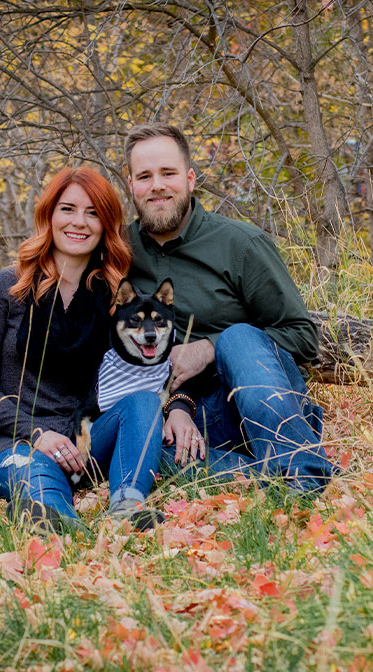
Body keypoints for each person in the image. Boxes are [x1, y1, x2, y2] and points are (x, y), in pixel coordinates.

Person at [123, 123, 334, 494]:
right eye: (145, 176)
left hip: (263, 399)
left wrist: (208, 348)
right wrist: (176, 407)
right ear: (131, 186)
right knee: (144, 449)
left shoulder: (240, 243)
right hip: (197, 419)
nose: (157, 185)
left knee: (237, 338)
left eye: (168, 173)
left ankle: (303, 475)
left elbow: (302, 336)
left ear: (189, 179)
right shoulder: (119, 252)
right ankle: (273, 479)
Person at [0, 166, 164, 531]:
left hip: (84, 444)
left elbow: (149, 368)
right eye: (68, 209)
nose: (80, 222)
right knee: (38, 475)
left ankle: (126, 508)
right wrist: (37, 434)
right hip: (15, 442)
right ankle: (57, 523)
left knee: (144, 403)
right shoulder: (4, 288)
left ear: (106, 225)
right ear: (49, 215)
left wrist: (183, 404)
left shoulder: (115, 299)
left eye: (93, 213)